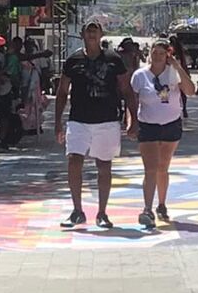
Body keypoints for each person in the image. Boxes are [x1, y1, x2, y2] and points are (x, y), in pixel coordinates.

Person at [54, 18, 137, 229]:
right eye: (88, 30)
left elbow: (126, 90)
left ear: (101, 35)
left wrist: (132, 119)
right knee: (74, 161)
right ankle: (77, 210)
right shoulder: (73, 61)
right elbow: (62, 92)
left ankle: (102, 212)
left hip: (106, 120)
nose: (91, 34)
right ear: (82, 34)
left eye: (95, 30)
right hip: (78, 119)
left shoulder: (113, 59)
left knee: (103, 166)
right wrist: (57, 122)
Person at [130, 38, 196, 229]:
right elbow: (132, 102)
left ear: (167, 54)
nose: (158, 56)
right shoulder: (140, 75)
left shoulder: (173, 73)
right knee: (150, 167)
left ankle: (161, 204)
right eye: (155, 52)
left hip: (171, 124)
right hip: (147, 124)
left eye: (162, 53)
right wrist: (131, 122)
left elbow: (191, 91)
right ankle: (147, 209)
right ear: (149, 53)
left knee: (162, 167)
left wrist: (177, 66)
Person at [169, 35, 192, 119]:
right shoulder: (181, 50)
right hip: (181, 71)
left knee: (167, 90)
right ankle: (184, 109)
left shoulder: (169, 50)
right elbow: (184, 62)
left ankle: (168, 106)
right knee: (182, 92)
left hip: (172, 72)